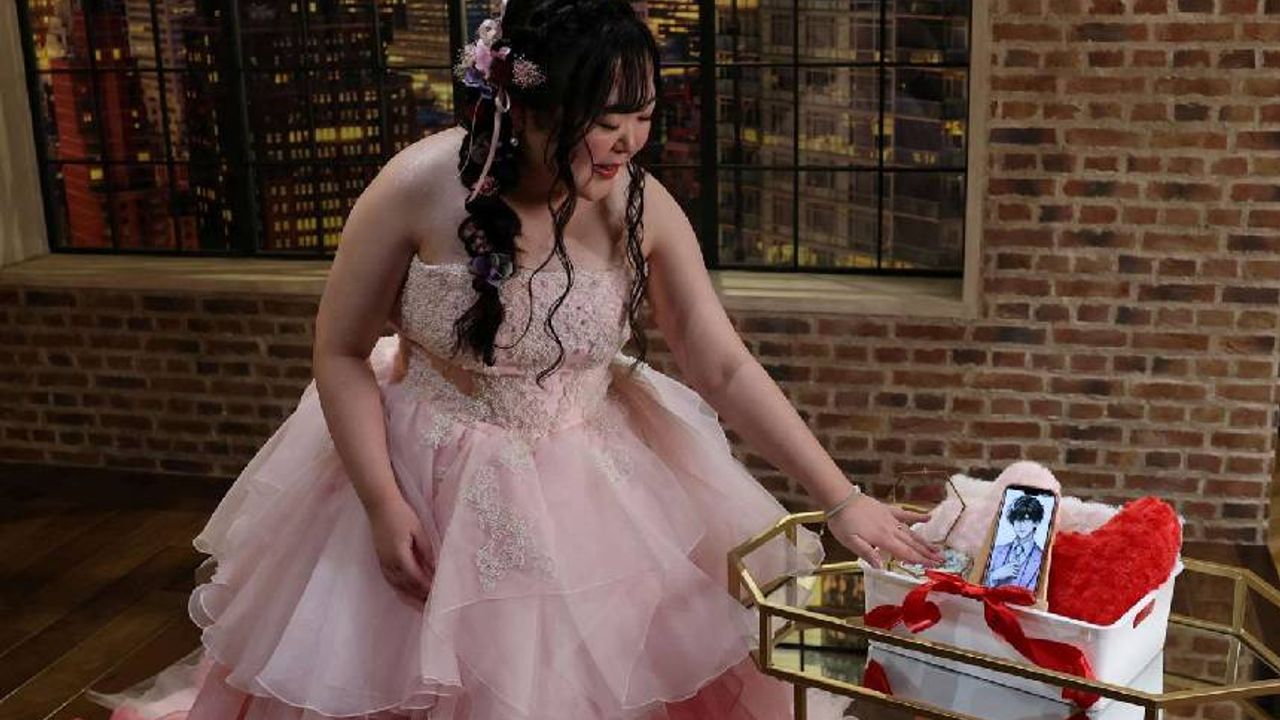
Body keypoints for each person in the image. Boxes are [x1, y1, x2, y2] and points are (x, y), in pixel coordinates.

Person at [89, 1, 942, 717]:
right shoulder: (415, 186)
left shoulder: (642, 205)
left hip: (594, 472)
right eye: (607, 121)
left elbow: (722, 366)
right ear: (524, 107)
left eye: (644, 117)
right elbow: (340, 351)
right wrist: (383, 502)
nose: (629, 143)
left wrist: (840, 498)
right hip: (424, 465)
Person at [984, 495, 1047, 591]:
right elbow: (980, 587)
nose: (1021, 525)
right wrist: (994, 576)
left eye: (1026, 520)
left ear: (1036, 522)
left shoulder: (1042, 559)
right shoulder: (997, 551)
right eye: (1018, 520)